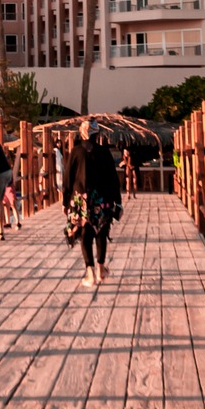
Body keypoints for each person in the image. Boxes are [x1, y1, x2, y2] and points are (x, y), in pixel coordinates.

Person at [62, 118, 123, 288]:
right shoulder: (104, 152)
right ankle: (101, 270)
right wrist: (117, 201)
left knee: (85, 236)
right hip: (102, 199)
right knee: (101, 233)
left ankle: (90, 274)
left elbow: (67, 179)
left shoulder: (76, 152)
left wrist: (65, 202)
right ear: (96, 134)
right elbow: (113, 178)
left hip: (81, 200)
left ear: (82, 134)